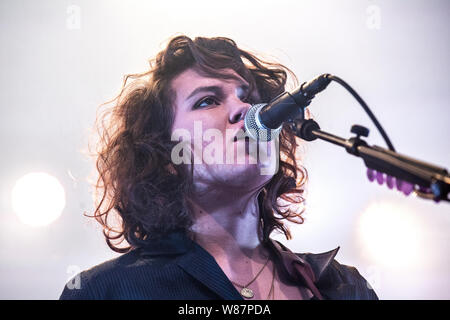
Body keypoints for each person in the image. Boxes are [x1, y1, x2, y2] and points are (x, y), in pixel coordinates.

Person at [59, 35, 378, 300]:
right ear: (167, 154)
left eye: (248, 97)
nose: (243, 109)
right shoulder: (106, 293)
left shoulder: (342, 288)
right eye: (207, 101)